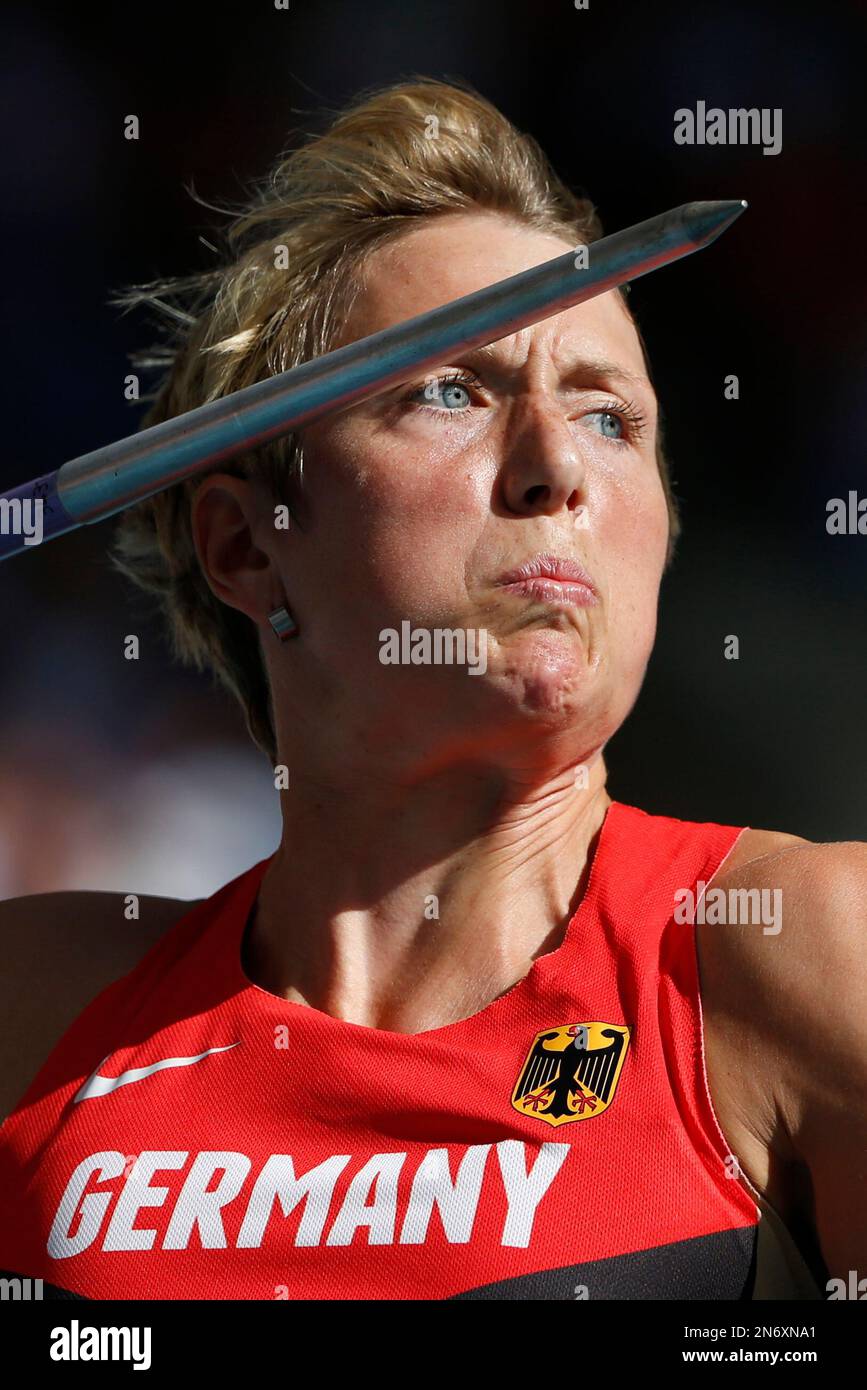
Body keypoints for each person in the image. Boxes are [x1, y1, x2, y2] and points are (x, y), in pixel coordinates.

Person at [0, 77, 863, 1302]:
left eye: (612, 417)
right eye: (449, 391)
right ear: (247, 545)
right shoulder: (40, 1015)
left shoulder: (802, 953)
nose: (557, 466)